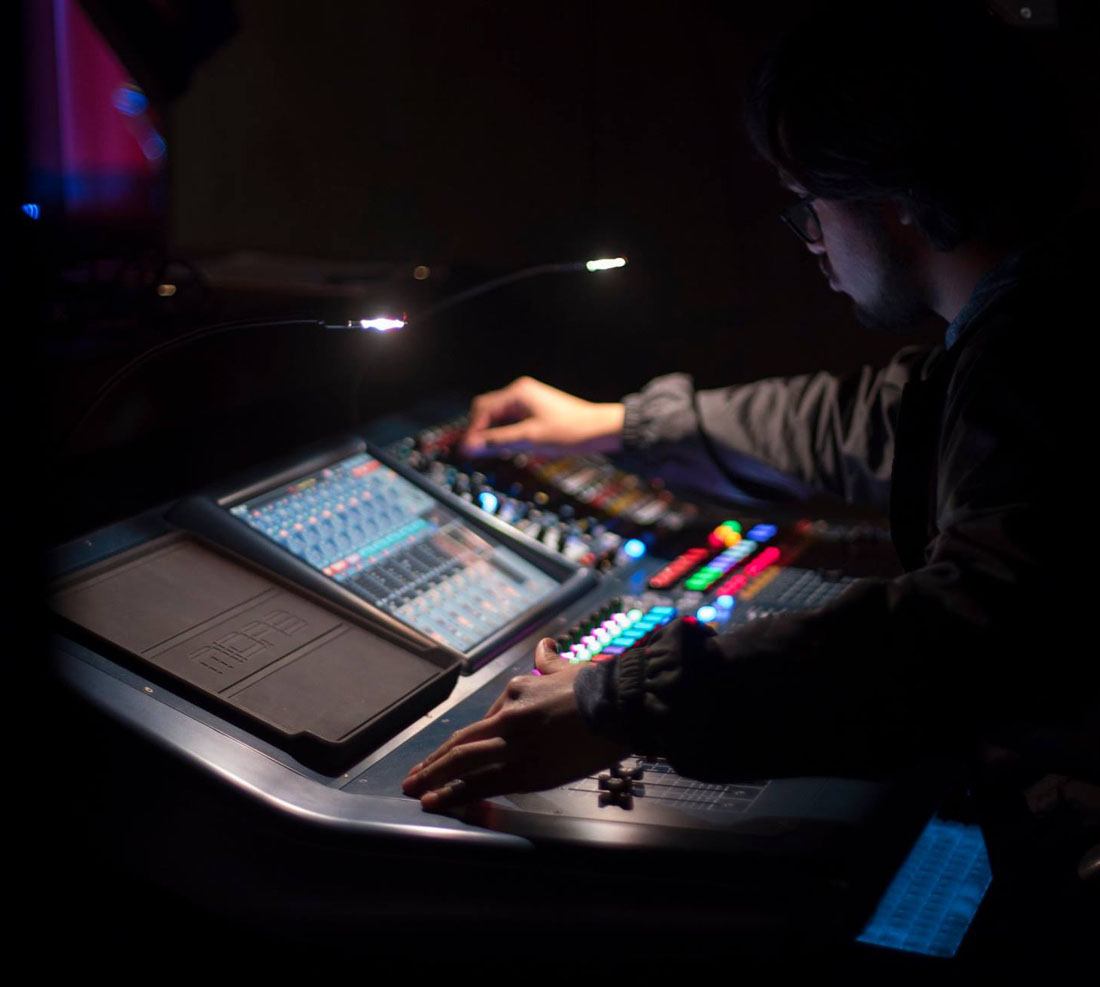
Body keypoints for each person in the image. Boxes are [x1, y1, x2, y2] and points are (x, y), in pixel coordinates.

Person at [403, 0, 1097, 940]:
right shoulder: (1026, 317)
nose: (810, 239)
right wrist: (618, 426)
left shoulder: (1039, 347)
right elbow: (867, 419)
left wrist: (619, 699)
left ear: (888, 201)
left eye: (807, 202)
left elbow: (973, 632)